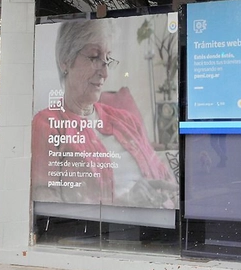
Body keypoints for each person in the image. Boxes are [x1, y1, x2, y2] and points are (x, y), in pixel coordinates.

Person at [31, 19, 178, 209]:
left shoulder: (127, 120)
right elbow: (46, 202)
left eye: (107, 59)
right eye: (94, 57)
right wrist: (123, 204)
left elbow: (166, 178)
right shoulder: (47, 124)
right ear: (65, 61)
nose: (105, 73)